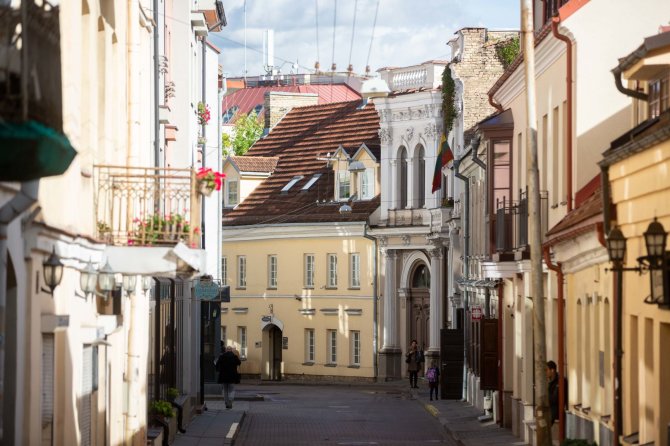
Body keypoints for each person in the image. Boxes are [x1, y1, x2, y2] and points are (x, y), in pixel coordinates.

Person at [546, 360, 567, 426]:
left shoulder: (560, 381)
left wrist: (545, 394)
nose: (546, 372)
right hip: (550, 414)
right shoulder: (550, 381)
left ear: (552, 370)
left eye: (547, 370)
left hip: (556, 415)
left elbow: (555, 399)